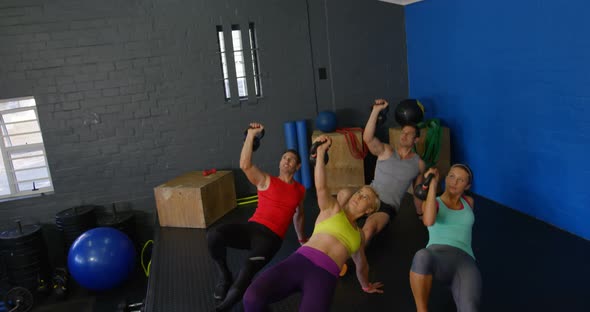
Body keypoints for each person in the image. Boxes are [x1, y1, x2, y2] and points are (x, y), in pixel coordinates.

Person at [242, 135, 384, 312]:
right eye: (359, 192)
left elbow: (362, 264)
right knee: (252, 297)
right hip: (299, 261)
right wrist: (321, 152)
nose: (358, 196)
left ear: (369, 210)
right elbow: (321, 187)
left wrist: (366, 285)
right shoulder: (332, 209)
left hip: (324, 276)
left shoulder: (359, 235)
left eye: (365, 197)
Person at [207, 122, 307, 311]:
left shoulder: (300, 191)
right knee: (213, 235)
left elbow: (299, 215)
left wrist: (302, 238)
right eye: (284, 157)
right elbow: (245, 164)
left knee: (247, 267)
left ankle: (221, 308)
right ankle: (224, 274)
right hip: (252, 228)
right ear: (279, 162)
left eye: (291, 159)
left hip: (271, 238)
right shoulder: (266, 180)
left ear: (298, 166)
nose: (286, 160)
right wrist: (252, 135)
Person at [409, 164, 482, 312]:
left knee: (470, 308)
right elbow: (428, 221)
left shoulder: (469, 202)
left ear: (467, 186)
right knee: (421, 256)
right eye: (452, 176)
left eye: (461, 180)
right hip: (438, 256)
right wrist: (433, 185)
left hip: (465, 261)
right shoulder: (432, 202)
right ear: (446, 178)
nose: (454, 182)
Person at [360, 98, 426, 243]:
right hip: (369, 196)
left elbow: (417, 191)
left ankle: (349, 262)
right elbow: (367, 138)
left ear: (416, 140)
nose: (404, 135)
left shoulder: (419, 164)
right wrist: (376, 110)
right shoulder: (387, 151)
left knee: (369, 230)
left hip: (387, 207)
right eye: (403, 132)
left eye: (409, 134)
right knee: (343, 199)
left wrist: (420, 214)